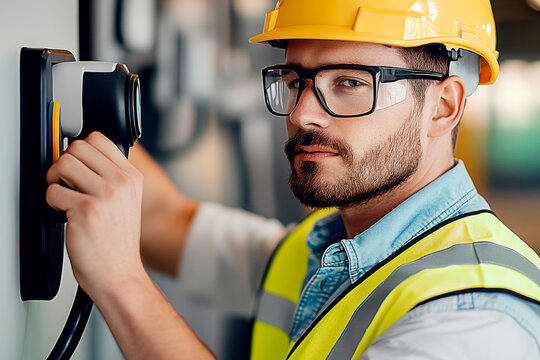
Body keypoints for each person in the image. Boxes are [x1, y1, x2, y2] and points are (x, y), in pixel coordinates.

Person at [46, 0, 540, 359]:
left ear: (443, 106)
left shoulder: (472, 320)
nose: (303, 114)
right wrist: (65, 105)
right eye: (295, 82)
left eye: (348, 83)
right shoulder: (323, 252)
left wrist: (121, 284)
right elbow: (160, 219)